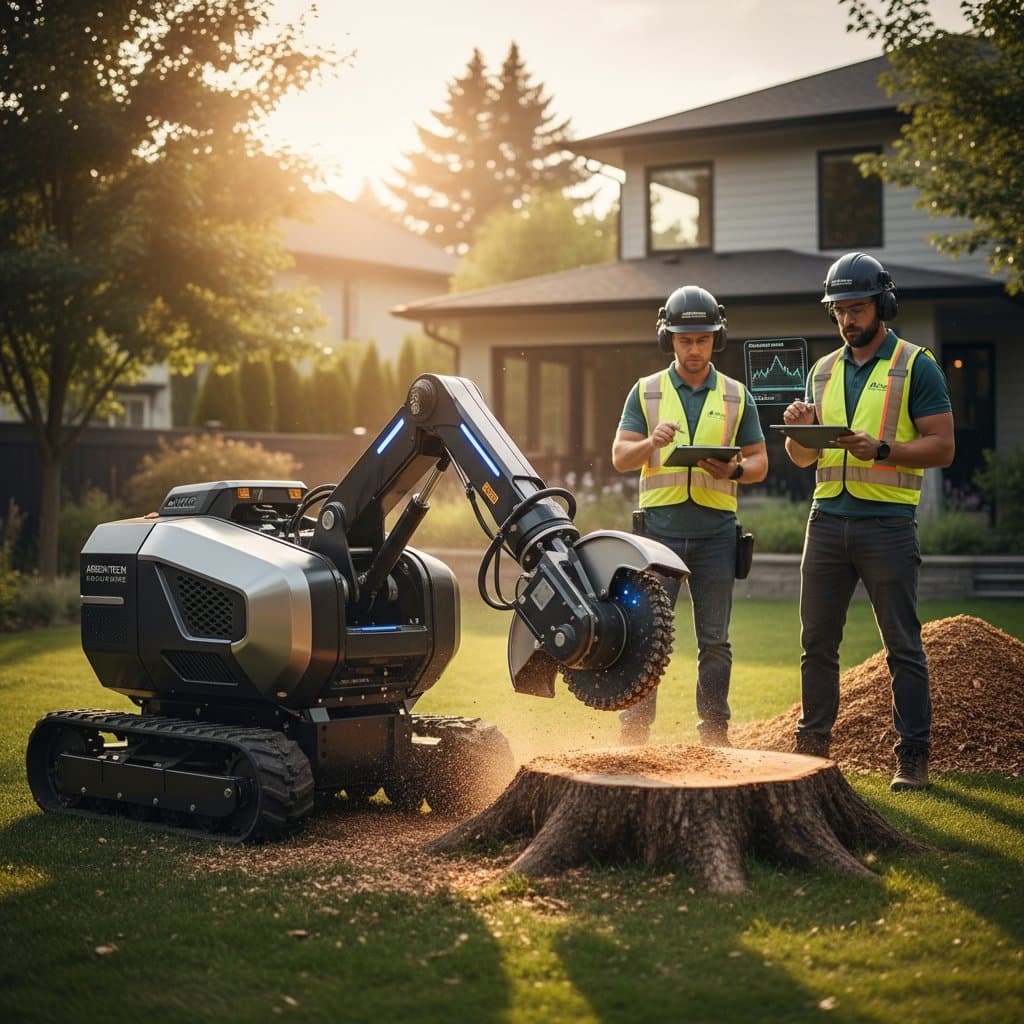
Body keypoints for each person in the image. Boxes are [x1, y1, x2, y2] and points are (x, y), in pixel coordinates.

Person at [782, 252, 954, 791]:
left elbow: (943, 448)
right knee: (816, 643)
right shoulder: (822, 370)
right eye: (839, 310)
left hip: (886, 525)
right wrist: (798, 430)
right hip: (826, 520)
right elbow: (803, 459)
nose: (848, 320)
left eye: (857, 308)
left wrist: (879, 448)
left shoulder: (915, 364)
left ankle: (913, 757)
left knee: (903, 645)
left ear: (882, 304)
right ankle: (813, 751)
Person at [612, 285, 768, 747]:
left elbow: (760, 461)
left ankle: (714, 733)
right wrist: (650, 444)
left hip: (717, 537)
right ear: (669, 340)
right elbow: (621, 457)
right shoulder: (645, 392)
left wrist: (736, 468)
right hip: (657, 538)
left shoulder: (738, 396)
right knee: (646, 636)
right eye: (685, 340)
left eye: (702, 339)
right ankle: (634, 731)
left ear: (715, 338)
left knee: (715, 641)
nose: (694, 348)